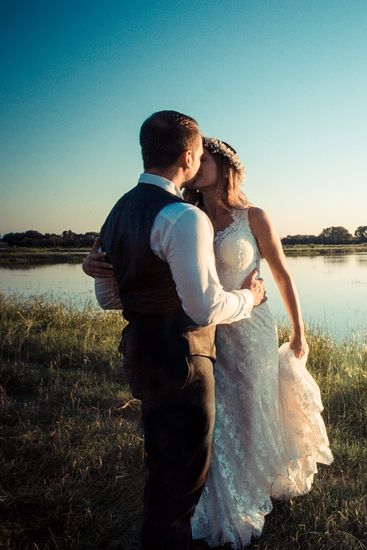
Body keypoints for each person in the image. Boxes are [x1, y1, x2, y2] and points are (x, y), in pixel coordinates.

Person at [86, 136, 333, 548]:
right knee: (215, 416)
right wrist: (94, 265)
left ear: (225, 165)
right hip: (205, 330)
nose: (198, 164)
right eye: (196, 158)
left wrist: (299, 331)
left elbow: (283, 275)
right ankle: (217, 495)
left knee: (252, 406)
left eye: (207, 159)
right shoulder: (184, 216)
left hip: (251, 327)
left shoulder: (253, 216)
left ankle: (255, 483)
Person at [90, 111, 267, 549]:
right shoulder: (184, 217)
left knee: (161, 459)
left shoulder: (119, 210)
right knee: (186, 475)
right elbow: (205, 307)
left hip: (141, 350)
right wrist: (251, 299)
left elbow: (109, 298)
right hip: (183, 357)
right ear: (189, 155)